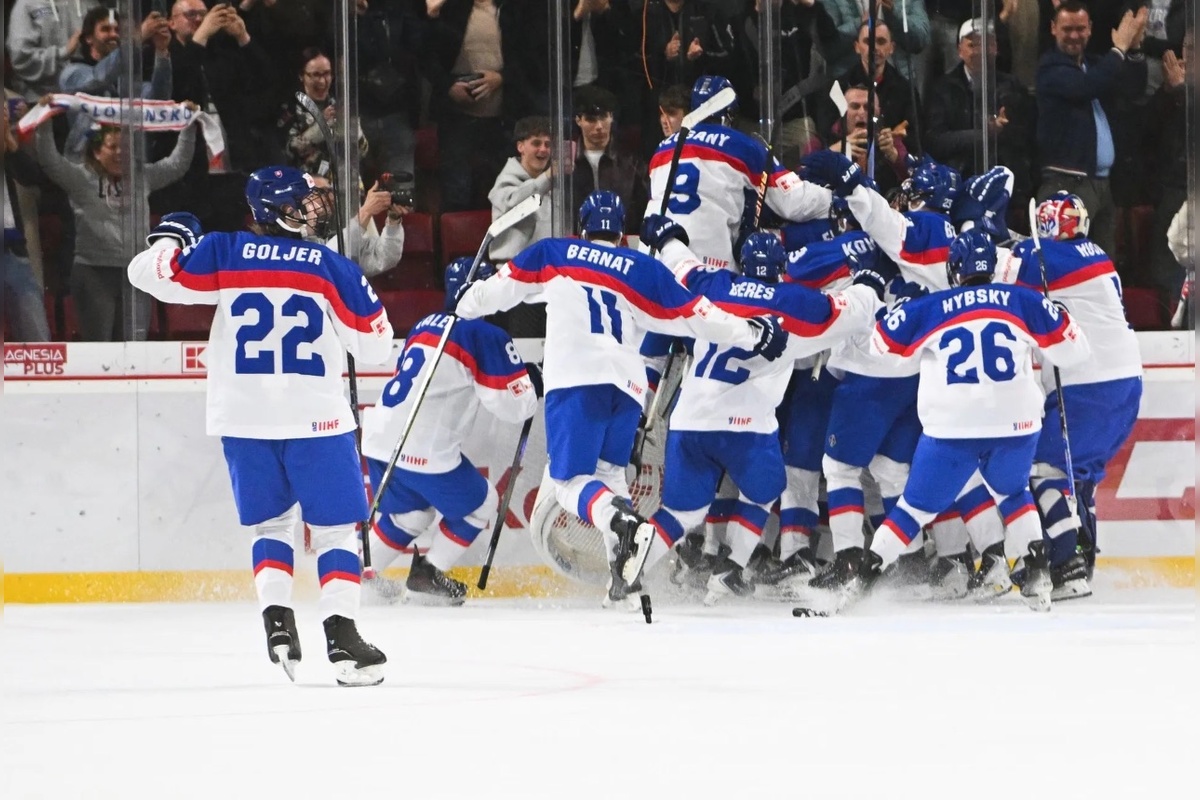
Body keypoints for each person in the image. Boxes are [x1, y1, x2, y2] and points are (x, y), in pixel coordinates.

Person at [126, 166, 395, 686]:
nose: (312, 209)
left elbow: (146, 273)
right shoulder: (325, 263)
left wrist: (173, 239)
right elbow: (376, 343)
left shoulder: (224, 252)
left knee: (271, 526)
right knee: (337, 528)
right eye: (302, 202)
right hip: (316, 419)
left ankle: (277, 623)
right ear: (276, 211)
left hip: (243, 419)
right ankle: (342, 640)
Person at [455, 190, 790, 605]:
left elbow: (496, 294)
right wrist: (752, 332)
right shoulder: (641, 268)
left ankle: (618, 520)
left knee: (570, 483)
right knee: (611, 477)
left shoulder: (554, 253)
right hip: (628, 389)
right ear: (621, 236)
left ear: (582, 227)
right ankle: (625, 585)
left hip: (577, 380)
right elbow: (697, 314)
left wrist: (466, 300)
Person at [634, 221, 884, 601]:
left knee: (680, 516)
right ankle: (730, 568)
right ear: (782, 267)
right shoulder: (794, 302)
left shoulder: (713, 286)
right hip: (747, 428)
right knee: (768, 487)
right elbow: (850, 311)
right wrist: (869, 283)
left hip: (691, 420)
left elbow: (682, 266)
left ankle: (625, 575)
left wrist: (667, 236)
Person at [853, 229, 1091, 612]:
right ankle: (1037, 570)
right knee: (1013, 493)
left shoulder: (932, 306)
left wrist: (897, 315)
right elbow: (1076, 352)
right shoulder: (1023, 300)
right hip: (1017, 426)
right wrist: (1059, 316)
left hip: (953, 429)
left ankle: (862, 579)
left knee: (913, 510)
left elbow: (881, 350)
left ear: (955, 269)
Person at [360, 257, 540, 604]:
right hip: (422, 449)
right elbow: (511, 406)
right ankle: (428, 572)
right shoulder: (482, 333)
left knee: (411, 513)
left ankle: (358, 578)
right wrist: (530, 382)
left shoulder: (425, 323)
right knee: (482, 502)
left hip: (380, 440)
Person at [1000, 192, 1143, 600]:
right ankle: (1086, 560)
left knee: (1044, 470)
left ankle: (1067, 564)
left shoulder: (1050, 258)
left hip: (1089, 384)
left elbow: (994, 266)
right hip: (1125, 380)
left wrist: (979, 223)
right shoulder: (1090, 254)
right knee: (1080, 478)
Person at [35, 102, 197, 341]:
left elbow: (177, 164)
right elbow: (50, 161)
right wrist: (44, 119)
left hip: (137, 272)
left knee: (135, 347)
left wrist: (189, 126)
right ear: (97, 151)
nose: (121, 153)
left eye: (126, 147)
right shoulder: (80, 178)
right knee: (99, 348)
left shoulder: (143, 177)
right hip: (94, 273)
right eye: (113, 147)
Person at [646, 76, 833, 272]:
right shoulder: (741, 145)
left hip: (658, 259)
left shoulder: (662, 149)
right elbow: (794, 202)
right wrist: (835, 200)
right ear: (729, 114)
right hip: (708, 267)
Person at [1035, 1, 1148, 259]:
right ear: (1053, 28)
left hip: (1101, 185)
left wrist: (1135, 46)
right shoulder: (1049, 68)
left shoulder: (1095, 65)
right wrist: (1119, 48)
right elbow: (1087, 86)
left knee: (1101, 267)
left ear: (1090, 29)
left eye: (1080, 28)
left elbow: (1134, 87)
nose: (1074, 35)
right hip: (1066, 184)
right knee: (1066, 266)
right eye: (1067, 29)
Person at [924, 17, 1035, 227]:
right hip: (960, 189)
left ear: (996, 48)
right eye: (972, 44)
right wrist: (982, 134)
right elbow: (935, 141)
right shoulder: (943, 89)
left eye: (987, 43)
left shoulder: (1012, 86)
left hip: (1005, 193)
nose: (980, 50)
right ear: (959, 50)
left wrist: (1003, 131)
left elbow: (1025, 137)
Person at [58, 5, 174, 161]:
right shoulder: (72, 73)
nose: (113, 35)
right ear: (88, 38)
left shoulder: (127, 79)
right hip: (87, 168)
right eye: (105, 29)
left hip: (129, 168)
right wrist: (138, 38)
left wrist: (161, 52)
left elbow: (157, 101)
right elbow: (99, 77)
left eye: (117, 30)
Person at [278, 48, 369, 179]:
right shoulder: (291, 109)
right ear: (301, 76)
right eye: (315, 75)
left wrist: (353, 127)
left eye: (327, 74)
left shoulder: (340, 105)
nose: (322, 81)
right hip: (307, 187)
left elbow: (361, 152)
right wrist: (320, 124)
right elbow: (288, 151)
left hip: (344, 185)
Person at [569, 85, 649, 231]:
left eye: (603, 117)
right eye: (591, 119)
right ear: (578, 120)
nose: (599, 126)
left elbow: (646, 211)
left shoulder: (632, 164)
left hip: (622, 245)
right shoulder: (567, 164)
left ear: (611, 117)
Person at [488, 116, 555, 261]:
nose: (543, 149)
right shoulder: (505, 182)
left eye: (548, 144)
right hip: (511, 271)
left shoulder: (554, 185)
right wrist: (547, 178)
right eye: (536, 143)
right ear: (520, 147)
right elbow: (515, 205)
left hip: (548, 268)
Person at [6, 0, 100, 101]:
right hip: (41, 101)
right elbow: (20, 59)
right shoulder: (27, 4)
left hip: (86, 99)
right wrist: (63, 52)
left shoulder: (90, 4)